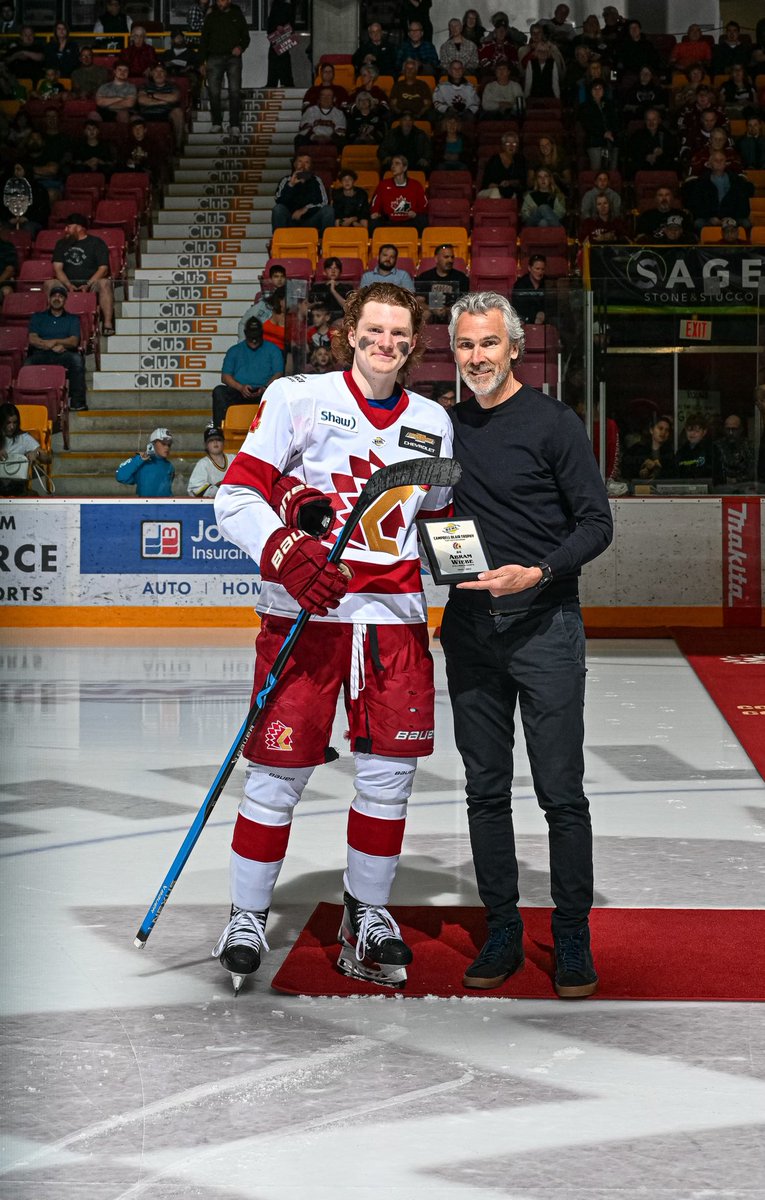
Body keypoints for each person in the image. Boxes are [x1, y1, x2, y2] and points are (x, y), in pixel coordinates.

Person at [211, 281, 454, 992]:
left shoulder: (435, 422)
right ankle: (247, 914)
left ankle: (367, 910)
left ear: (412, 345)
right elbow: (237, 495)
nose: (385, 344)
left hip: (395, 624)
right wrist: (284, 553)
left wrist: (477, 574)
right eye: (373, 330)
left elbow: (436, 522)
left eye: (399, 336)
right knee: (275, 778)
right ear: (350, 332)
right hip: (306, 619)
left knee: (388, 781)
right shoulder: (296, 397)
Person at [442, 290, 613, 997]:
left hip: (545, 629)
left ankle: (571, 937)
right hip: (469, 633)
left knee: (559, 793)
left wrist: (538, 570)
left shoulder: (553, 423)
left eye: (488, 343)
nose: (476, 357)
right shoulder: (442, 426)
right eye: (464, 346)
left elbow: (596, 524)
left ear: (514, 347)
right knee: (484, 791)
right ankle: (503, 929)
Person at [25, 282, 87, 412]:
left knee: (77, 360)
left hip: (63, 354)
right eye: (54, 296)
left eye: (60, 296)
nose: (57, 298)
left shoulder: (72, 319)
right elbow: (32, 339)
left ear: (65, 300)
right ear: (49, 299)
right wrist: (50, 346)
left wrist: (54, 342)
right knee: (28, 363)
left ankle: (77, 402)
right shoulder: (38, 317)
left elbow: (73, 341)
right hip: (41, 353)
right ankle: (27, 403)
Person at [212, 316, 284, 427]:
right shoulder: (234, 351)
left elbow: (279, 373)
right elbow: (225, 376)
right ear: (246, 334)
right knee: (219, 392)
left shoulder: (273, 350)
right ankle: (219, 430)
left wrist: (265, 388)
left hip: (265, 393)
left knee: (280, 394)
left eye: (256, 337)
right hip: (239, 392)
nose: (254, 341)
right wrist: (240, 388)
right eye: (251, 338)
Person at [52, 213, 115, 337]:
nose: (66, 230)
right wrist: (68, 285)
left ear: (79, 228)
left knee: (105, 283)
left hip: (91, 283)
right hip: (67, 283)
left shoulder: (96, 243)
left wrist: (88, 284)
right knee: (50, 283)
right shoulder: (61, 244)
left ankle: (108, 324)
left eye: (69, 227)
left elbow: (103, 269)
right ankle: (53, 323)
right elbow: (58, 269)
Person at [198, 0, 250, 141]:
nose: (220, 3)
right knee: (213, 92)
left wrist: (240, 47)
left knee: (235, 90)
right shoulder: (211, 16)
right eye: (218, 0)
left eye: (223, 0)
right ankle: (216, 123)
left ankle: (234, 124)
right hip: (213, 57)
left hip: (233, 58)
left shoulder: (237, 14)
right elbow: (204, 40)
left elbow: (246, 36)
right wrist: (201, 62)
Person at [271, 152, 334, 234]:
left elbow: (324, 202)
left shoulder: (316, 180)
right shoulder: (286, 180)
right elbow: (279, 201)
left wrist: (305, 209)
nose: (303, 165)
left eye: (307, 162)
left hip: (311, 220)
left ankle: (325, 241)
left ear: (310, 166)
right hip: (291, 220)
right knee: (278, 209)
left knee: (328, 210)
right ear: (295, 164)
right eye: (300, 161)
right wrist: (291, 185)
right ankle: (279, 239)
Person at [0, 402, 51, 497]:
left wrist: (36, 454)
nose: (12, 427)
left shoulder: (23, 438)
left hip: (16, 487)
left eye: (14, 423)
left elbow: (48, 459)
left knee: (35, 496)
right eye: (8, 423)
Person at [369, 154, 428, 234]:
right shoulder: (383, 185)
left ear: (404, 168)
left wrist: (415, 214)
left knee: (422, 220)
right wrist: (375, 213)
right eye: (392, 164)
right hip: (389, 221)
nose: (393, 166)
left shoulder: (415, 185)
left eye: (397, 163)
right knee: (374, 222)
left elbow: (424, 206)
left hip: (409, 221)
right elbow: (375, 204)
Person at [415, 241, 468, 322]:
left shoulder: (461, 277)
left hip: (452, 312)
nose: (450, 260)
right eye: (446, 257)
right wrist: (432, 309)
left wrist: (447, 310)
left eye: (452, 257)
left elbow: (465, 302)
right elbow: (419, 301)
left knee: (456, 315)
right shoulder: (425, 276)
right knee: (425, 314)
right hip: (430, 311)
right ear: (436, 259)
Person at [137, 63, 185, 149]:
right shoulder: (145, 86)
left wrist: (152, 95)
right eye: (156, 71)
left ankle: (178, 147)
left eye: (161, 71)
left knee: (178, 112)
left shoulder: (173, 86)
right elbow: (141, 100)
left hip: (166, 114)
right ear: (152, 74)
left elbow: (174, 97)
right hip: (146, 113)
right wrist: (163, 101)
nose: (159, 74)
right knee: (132, 118)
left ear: (165, 74)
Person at [116, 427, 175, 496]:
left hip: (167, 506)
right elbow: (121, 477)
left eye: (169, 444)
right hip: (146, 506)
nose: (167, 447)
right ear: (152, 444)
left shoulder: (170, 466)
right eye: (163, 443)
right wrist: (139, 459)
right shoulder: (142, 463)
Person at [621, 414, 674, 481]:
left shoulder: (670, 452)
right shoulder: (636, 449)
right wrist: (641, 469)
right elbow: (625, 469)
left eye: (667, 430)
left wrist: (659, 469)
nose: (663, 432)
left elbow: (674, 474)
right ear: (651, 430)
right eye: (660, 428)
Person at [187, 424, 234, 497]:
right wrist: (221, 490)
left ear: (224, 442)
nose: (215, 442)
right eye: (211, 440)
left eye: (218, 439)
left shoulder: (233, 459)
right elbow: (196, 489)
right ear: (206, 445)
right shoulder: (203, 464)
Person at [673, 413, 719, 481]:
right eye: (689, 430)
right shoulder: (681, 452)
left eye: (697, 431)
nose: (692, 433)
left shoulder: (711, 450)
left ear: (704, 432)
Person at [715, 414, 755, 487]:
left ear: (741, 429)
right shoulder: (717, 446)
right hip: (722, 487)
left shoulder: (749, 446)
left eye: (734, 429)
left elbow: (753, 472)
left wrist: (737, 480)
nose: (730, 433)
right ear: (724, 429)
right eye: (728, 429)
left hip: (745, 486)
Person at [265, 0, 295, 89]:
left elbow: (271, 22)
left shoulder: (276, 4)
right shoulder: (288, 4)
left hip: (278, 34)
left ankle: (273, 82)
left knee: (276, 58)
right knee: (282, 58)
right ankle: (286, 82)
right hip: (283, 34)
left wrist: (276, 27)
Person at [511, 254, 547, 324]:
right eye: (537, 269)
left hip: (544, 318)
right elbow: (518, 306)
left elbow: (552, 304)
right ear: (529, 268)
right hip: (526, 318)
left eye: (542, 269)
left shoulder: (548, 282)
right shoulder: (520, 284)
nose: (540, 272)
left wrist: (543, 313)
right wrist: (534, 316)